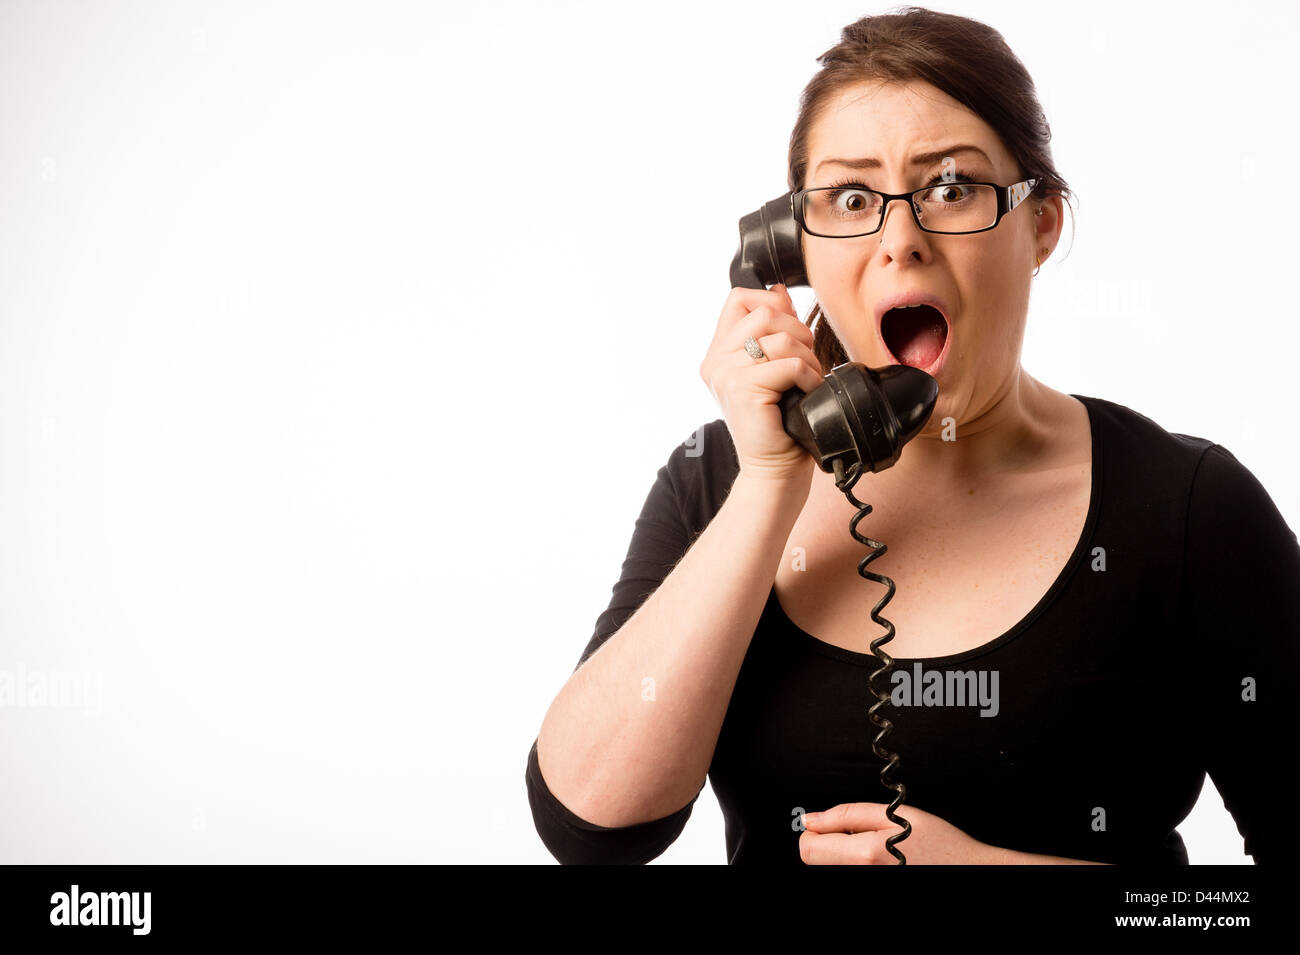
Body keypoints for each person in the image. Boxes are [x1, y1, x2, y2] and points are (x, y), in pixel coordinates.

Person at [524, 6, 1300, 864]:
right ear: (790, 251)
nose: (901, 241)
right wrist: (770, 488)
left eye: (953, 188)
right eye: (852, 199)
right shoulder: (716, 483)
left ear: (1040, 225)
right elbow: (589, 827)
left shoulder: (1188, 508)